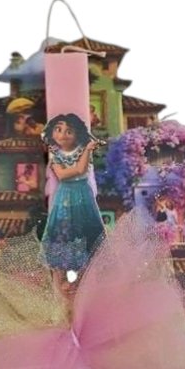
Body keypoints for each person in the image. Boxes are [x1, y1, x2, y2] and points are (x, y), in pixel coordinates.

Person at [40, 114, 105, 278]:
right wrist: (87, 150)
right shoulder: (55, 156)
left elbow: (82, 170)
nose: (62, 135)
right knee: (63, 228)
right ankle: (62, 273)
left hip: (82, 193)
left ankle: (85, 273)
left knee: (85, 227)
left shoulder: (82, 150)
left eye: (69, 131)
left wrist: (87, 150)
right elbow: (69, 173)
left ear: (78, 134)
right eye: (58, 129)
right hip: (65, 195)